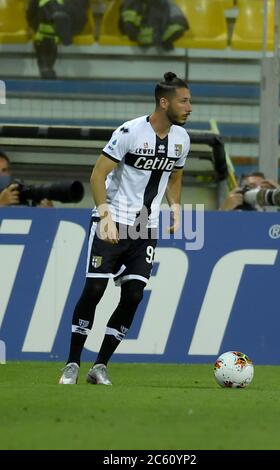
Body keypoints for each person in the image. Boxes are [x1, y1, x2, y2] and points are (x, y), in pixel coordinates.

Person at [59, 71, 192, 385]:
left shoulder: (182, 139)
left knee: (133, 295)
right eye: (184, 101)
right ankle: (72, 363)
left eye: (189, 101)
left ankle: (100, 366)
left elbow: (175, 177)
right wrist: (104, 216)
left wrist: (175, 207)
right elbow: (97, 175)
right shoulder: (130, 132)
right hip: (114, 218)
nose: (189, 107)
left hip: (146, 226)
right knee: (94, 289)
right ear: (164, 102)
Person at [219, 171, 280, 363]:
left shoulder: (278, 216)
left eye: (260, 186)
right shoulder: (233, 214)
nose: (255, 191)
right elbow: (211, 236)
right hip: (235, 281)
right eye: (250, 186)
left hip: (274, 282)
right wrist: (226, 207)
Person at [26, 0, 89, 79]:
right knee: (47, 13)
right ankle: (56, 24)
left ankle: (46, 66)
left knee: (46, 18)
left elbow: (31, 15)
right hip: (64, 21)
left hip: (71, 17)